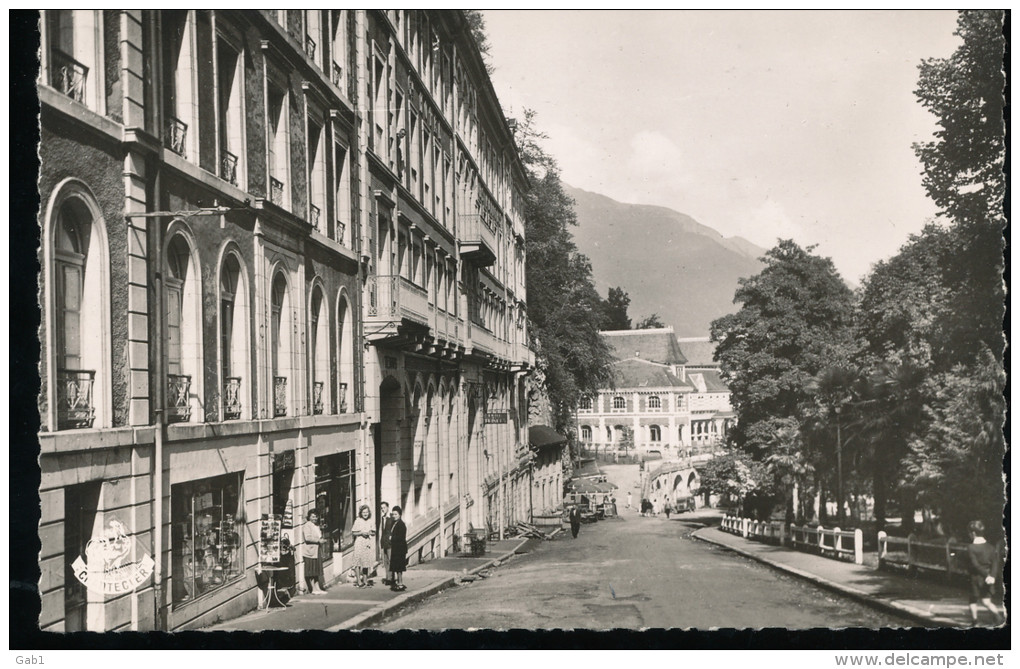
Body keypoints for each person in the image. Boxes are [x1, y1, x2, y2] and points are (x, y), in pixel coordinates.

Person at [965, 520, 1003, 624]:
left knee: (973, 600)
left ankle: (975, 621)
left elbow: (975, 564)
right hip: (989, 578)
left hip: (976, 578)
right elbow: (995, 563)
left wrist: (986, 575)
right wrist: (992, 576)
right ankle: (998, 618)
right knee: (986, 601)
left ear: (973, 533)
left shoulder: (971, 548)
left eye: (969, 533)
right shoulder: (991, 547)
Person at [300, 510, 328, 595]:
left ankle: (317, 588)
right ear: (309, 517)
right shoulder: (307, 525)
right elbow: (308, 538)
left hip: (316, 550)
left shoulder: (316, 525)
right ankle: (312, 588)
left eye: (316, 516)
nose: (315, 518)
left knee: (316, 570)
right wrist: (319, 541)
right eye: (313, 516)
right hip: (310, 551)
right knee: (311, 570)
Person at [351, 505, 376, 588]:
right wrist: (361, 533)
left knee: (366, 562)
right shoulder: (358, 521)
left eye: (367, 512)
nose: (365, 514)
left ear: (369, 513)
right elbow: (353, 532)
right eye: (363, 512)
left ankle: (365, 580)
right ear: (361, 513)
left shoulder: (371, 521)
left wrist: (370, 532)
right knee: (357, 561)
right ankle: (359, 581)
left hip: (367, 542)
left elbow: (374, 532)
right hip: (359, 542)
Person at [388, 506, 408, 592]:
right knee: (396, 567)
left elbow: (400, 537)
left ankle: (400, 583)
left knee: (399, 567)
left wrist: (391, 538)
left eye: (396, 514)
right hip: (395, 548)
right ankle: (398, 582)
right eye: (393, 514)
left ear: (400, 515)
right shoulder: (394, 523)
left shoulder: (401, 525)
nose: (394, 516)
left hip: (400, 548)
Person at [379, 501, 395, 586]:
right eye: (381, 508)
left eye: (384, 508)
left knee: (390, 560)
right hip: (384, 542)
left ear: (388, 508)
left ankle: (391, 578)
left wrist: (392, 536)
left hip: (390, 543)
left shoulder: (392, 517)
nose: (383, 510)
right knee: (385, 561)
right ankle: (388, 577)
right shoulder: (382, 518)